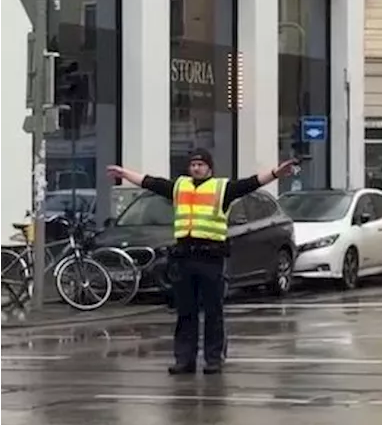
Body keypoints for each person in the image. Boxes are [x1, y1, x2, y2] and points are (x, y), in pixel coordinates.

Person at [107, 150, 298, 375]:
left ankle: (213, 359)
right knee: (185, 312)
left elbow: (250, 184)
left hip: (211, 258)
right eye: (193, 164)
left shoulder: (221, 188)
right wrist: (124, 173)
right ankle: (184, 360)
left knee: (213, 312)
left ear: (209, 168)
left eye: (200, 164)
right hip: (185, 257)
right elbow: (151, 183)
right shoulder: (180, 187)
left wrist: (276, 173)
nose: (196, 168)